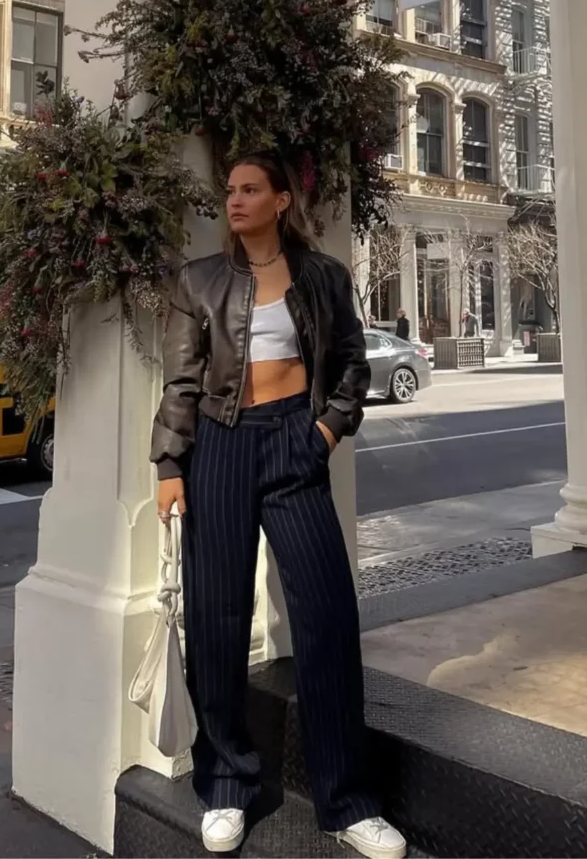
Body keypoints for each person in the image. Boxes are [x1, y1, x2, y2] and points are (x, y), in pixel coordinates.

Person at [152, 151, 406, 859]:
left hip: (295, 443)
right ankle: (226, 786)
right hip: (221, 451)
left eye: (249, 189)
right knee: (216, 622)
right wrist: (170, 464)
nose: (233, 200)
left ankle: (349, 802)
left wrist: (323, 432)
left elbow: (351, 366)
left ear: (281, 201)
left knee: (325, 616)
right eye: (229, 190)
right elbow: (182, 381)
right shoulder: (198, 281)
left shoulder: (323, 277)